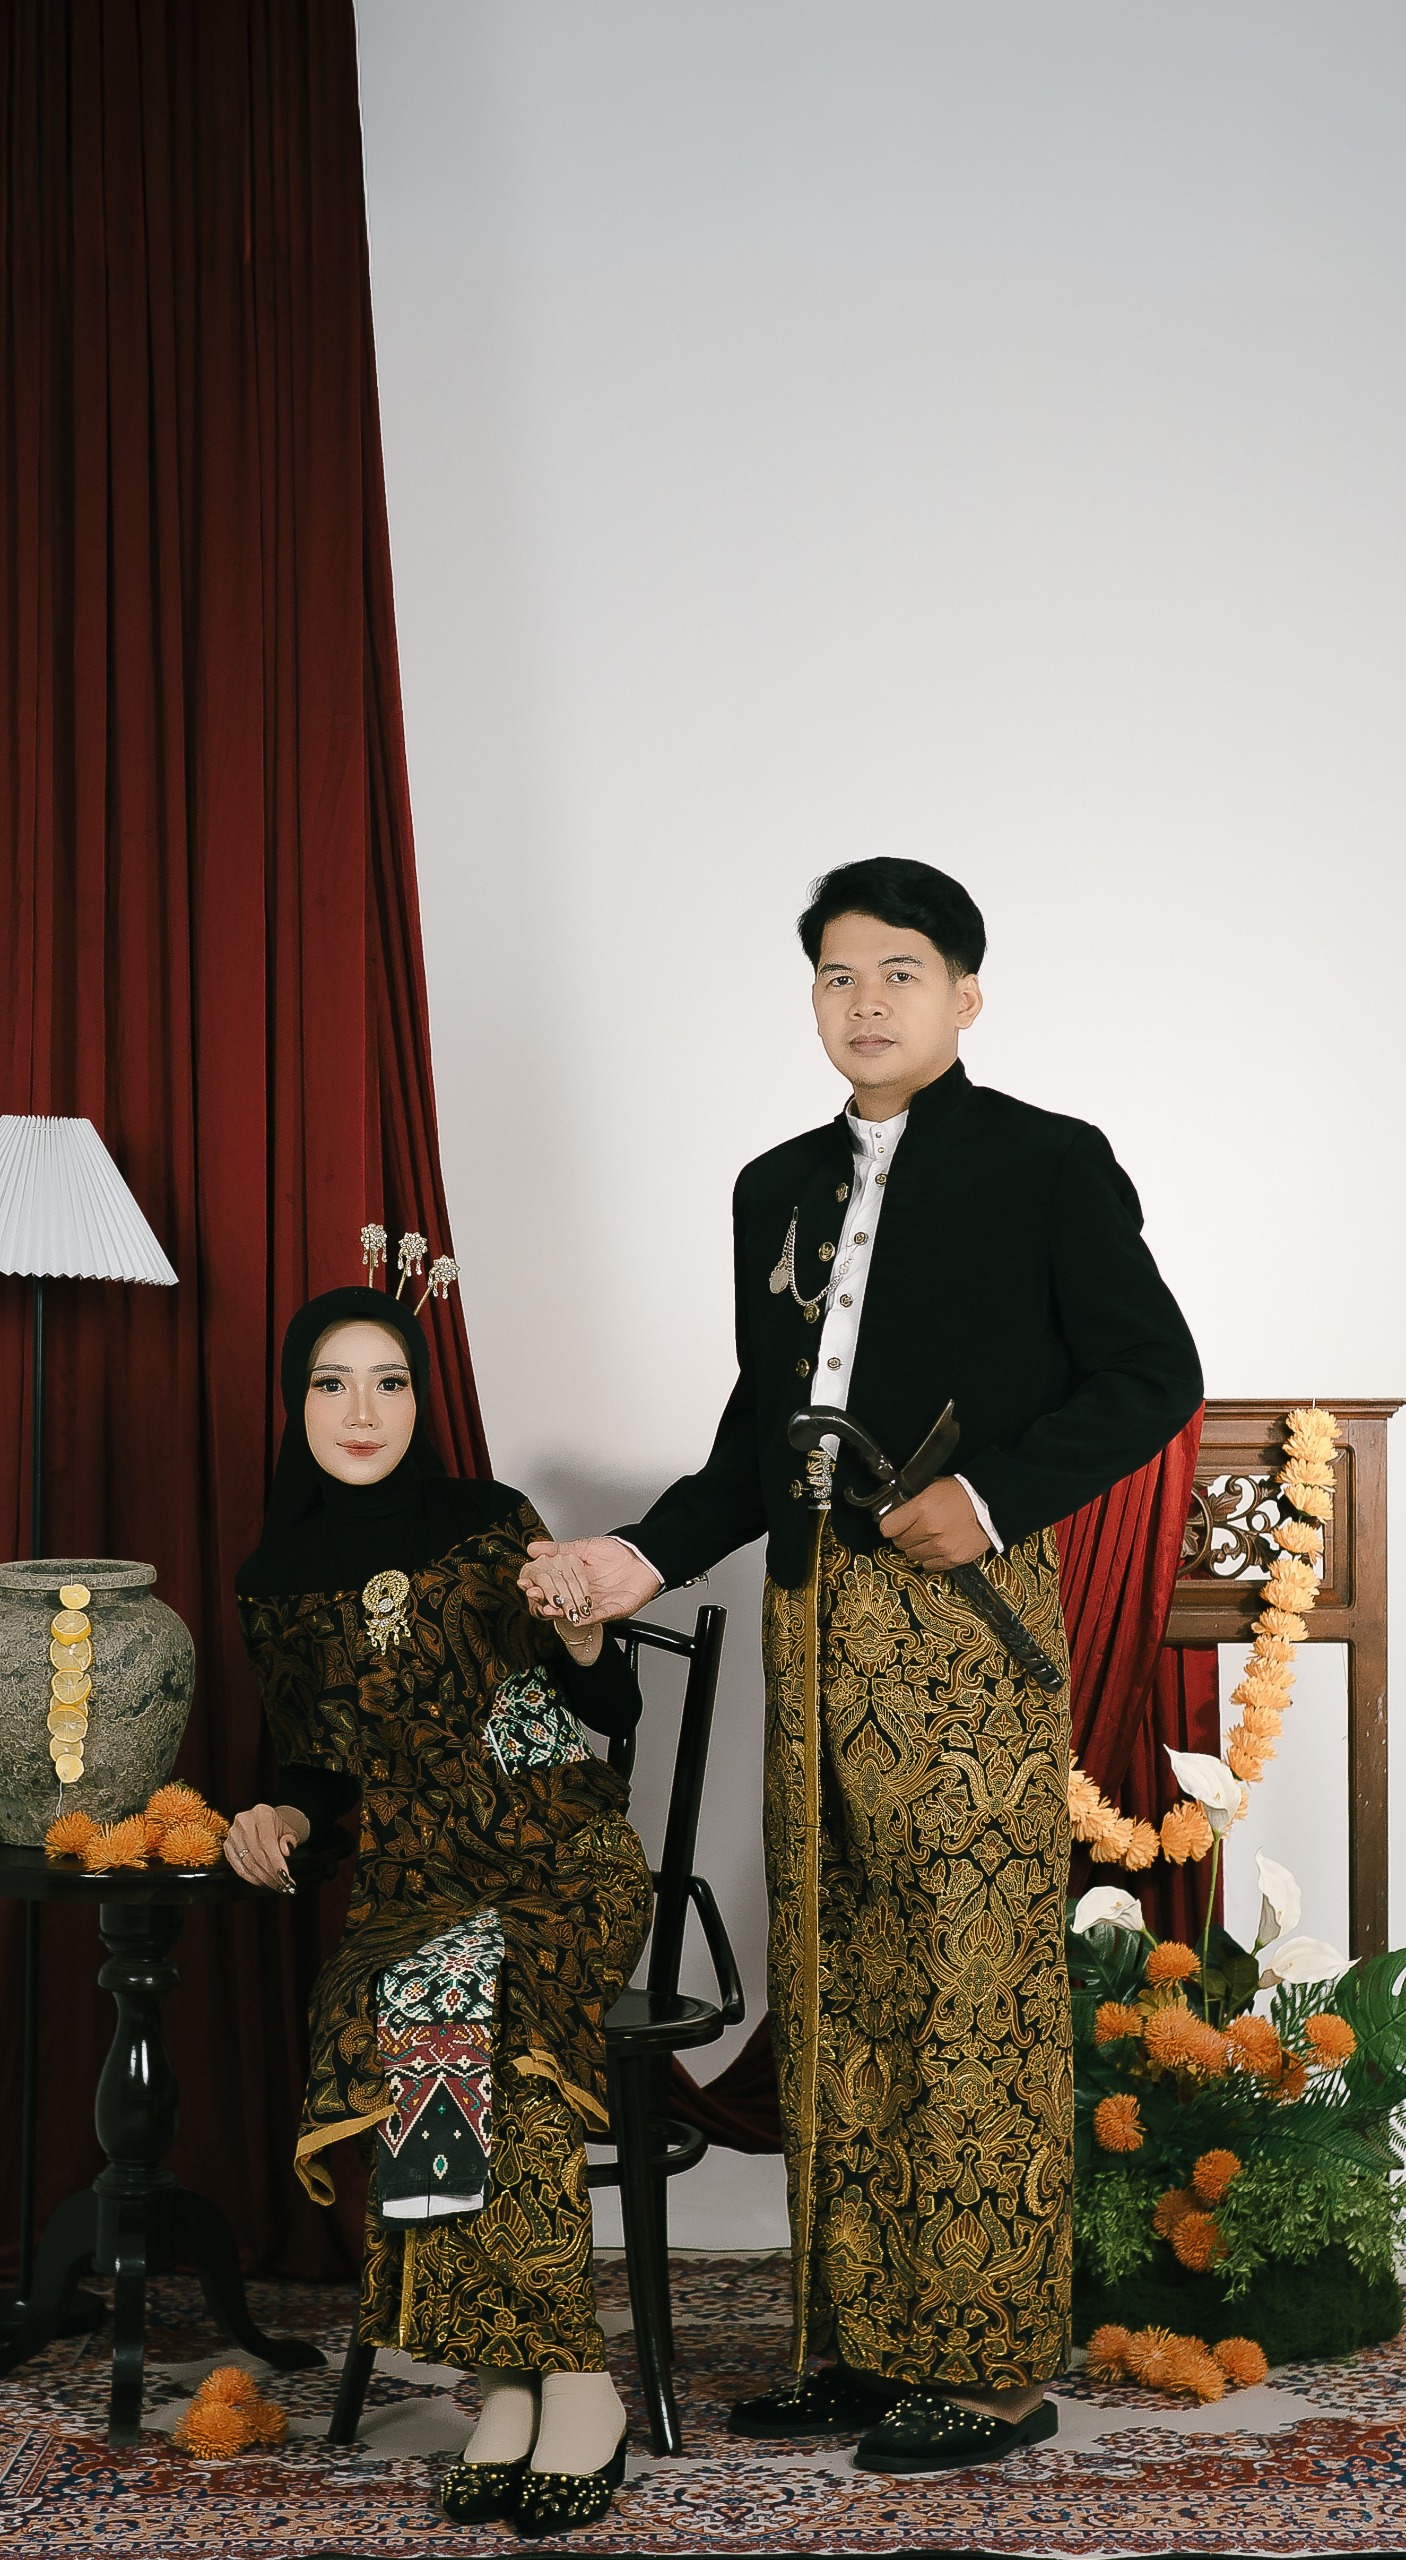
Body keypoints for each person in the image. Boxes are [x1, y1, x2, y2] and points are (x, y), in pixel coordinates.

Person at [520, 859, 1202, 2475]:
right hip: (808, 1619)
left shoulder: (1046, 1162)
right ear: (812, 999)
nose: (867, 1001)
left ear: (966, 992)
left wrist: (995, 1498)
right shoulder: (773, 1186)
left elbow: (1155, 1372)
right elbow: (752, 1446)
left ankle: (987, 2372)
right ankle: (861, 2346)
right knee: (834, 1988)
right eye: (838, 975)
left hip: (963, 1626)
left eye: (900, 970)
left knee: (965, 1992)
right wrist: (637, 1558)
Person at [226, 1283, 651, 2537]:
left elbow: (610, 1709)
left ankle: (572, 2386)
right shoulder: (272, 1579)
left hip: (564, 1855)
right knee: (420, 2009)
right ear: (296, 1400)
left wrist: (585, 1636)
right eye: (332, 1383)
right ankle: (510, 2385)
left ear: (421, 1398)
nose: (362, 1411)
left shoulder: (489, 1520)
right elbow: (315, 1767)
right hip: (414, 1882)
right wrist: (279, 1815)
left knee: (490, 2026)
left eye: (390, 1381)